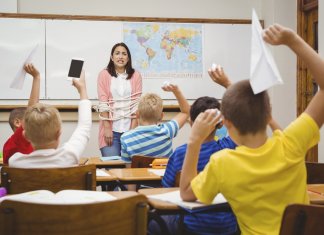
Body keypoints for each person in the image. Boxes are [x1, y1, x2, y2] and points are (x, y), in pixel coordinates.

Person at [180, 24, 324, 235]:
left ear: (225, 122)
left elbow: (186, 192)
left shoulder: (223, 163)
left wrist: (194, 141)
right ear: (268, 114)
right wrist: (293, 40)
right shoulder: (291, 144)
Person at [156, 96, 237, 235]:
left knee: (152, 222)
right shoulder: (230, 148)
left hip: (191, 226)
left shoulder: (181, 153)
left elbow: (167, 189)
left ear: (191, 123)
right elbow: (241, 123)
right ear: (220, 124)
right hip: (228, 226)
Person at [9, 71, 91, 168]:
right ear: (58, 133)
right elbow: (84, 126)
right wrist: (82, 89)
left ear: (25, 135)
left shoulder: (15, 162)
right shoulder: (69, 156)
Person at [120, 83, 190, 163]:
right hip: (165, 175)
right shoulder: (167, 130)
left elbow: (128, 170)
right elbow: (186, 112)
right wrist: (176, 91)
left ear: (137, 114)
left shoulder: (126, 138)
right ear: (161, 116)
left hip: (140, 175)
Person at [97, 42, 142, 157]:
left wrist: (132, 131)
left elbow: (136, 104)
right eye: (117, 53)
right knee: (113, 167)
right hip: (111, 131)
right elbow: (103, 103)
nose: (120, 57)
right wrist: (107, 128)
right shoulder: (104, 74)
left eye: (124, 54)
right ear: (112, 57)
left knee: (130, 170)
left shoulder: (136, 75)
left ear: (128, 58)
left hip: (130, 130)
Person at [3, 63, 40, 165]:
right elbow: (32, 110)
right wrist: (36, 77)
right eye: (28, 119)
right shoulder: (14, 142)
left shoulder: (33, 143)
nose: (33, 122)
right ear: (17, 122)